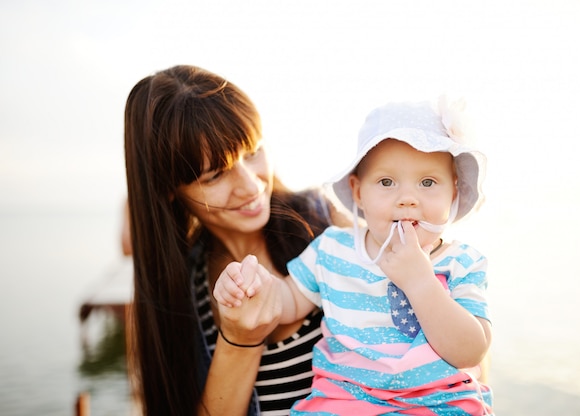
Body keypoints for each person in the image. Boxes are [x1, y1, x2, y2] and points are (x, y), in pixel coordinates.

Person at [214, 99, 494, 414]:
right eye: (386, 182)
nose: (407, 199)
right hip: (345, 403)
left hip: (435, 405)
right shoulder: (333, 250)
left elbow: (471, 351)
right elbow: (289, 300)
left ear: (453, 192)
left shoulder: (462, 262)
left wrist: (420, 282)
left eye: (428, 182)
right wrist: (253, 287)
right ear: (358, 191)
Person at [123, 64, 351, 416]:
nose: (250, 185)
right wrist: (241, 339)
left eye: (252, 152)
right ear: (169, 189)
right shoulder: (180, 292)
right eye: (216, 174)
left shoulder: (329, 225)